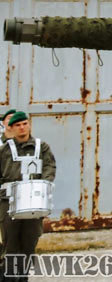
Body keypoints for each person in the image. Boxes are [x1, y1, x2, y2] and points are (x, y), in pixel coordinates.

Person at [0, 112, 56, 281]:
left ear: (29, 124)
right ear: (11, 128)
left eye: (25, 123)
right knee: (9, 245)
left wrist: (42, 186)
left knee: (29, 243)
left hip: (33, 203)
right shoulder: (4, 150)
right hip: (7, 203)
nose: (22, 127)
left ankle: (23, 277)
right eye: (18, 125)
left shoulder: (42, 147)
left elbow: (49, 168)